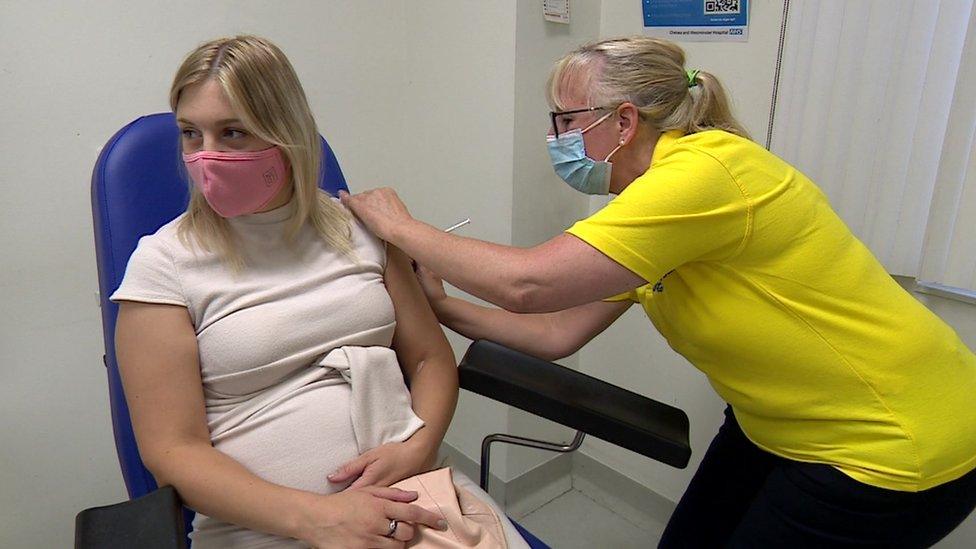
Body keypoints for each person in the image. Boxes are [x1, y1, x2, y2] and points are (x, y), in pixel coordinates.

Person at [340, 36, 976, 547]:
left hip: (892, 444)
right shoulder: (644, 210)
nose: (556, 137)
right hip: (781, 426)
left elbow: (528, 284)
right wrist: (440, 305)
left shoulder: (707, 170)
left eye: (565, 119)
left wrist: (400, 227)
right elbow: (556, 333)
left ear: (623, 121)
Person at [112, 35, 519, 548]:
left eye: (233, 132)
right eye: (191, 134)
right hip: (266, 527)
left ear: (287, 134)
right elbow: (172, 450)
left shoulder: (363, 228)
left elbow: (430, 361)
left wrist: (418, 447)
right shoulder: (163, 264)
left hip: (410, 498)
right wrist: (319, 518)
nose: (206, 157)